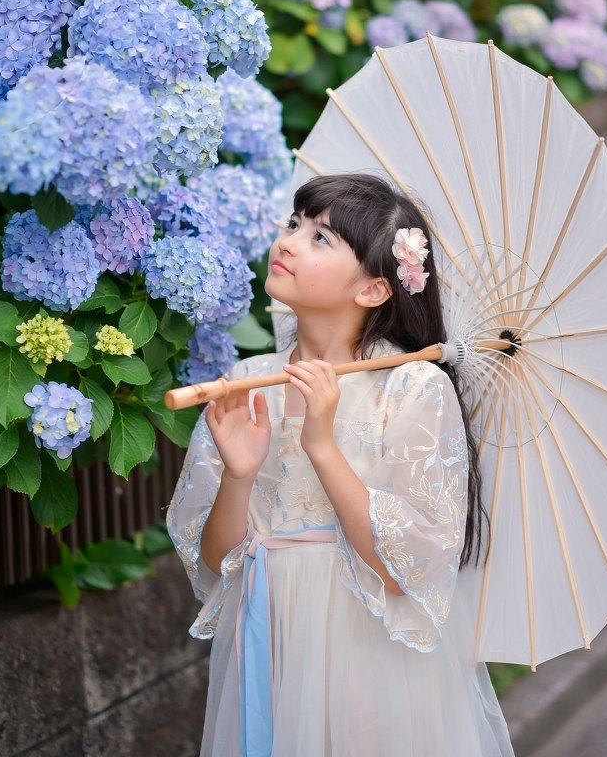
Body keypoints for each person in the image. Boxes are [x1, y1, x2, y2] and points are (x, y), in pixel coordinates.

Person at [166, 172, 516, 757]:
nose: (289, 242)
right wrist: (240, 474)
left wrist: (322, 445)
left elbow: (405, 570)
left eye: (321, 237)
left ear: (375, 290)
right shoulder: (251, 380)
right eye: (294, 224)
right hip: (268, 632)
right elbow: (215, 559)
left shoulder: (410, 387)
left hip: (365, 646)